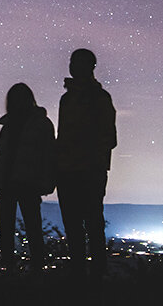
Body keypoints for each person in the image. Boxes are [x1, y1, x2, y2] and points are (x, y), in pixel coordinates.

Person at [56, 48, 117, 281]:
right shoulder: (68, 98)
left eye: (77, 63)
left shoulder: (99, 98)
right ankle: (80, 275)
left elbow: (109, 138)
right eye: (72, 62)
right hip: (69, 170)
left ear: (90, 66)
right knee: (75, 225)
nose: (73, 67)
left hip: (89, 170)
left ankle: (95, 276)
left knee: (91, 223)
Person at [0, 83, 56, 273]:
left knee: (31, 226)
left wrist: (47, 181)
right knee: (11, 228)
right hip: (9, 182)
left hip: (27, 183)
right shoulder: (11, 126)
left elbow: (49, 155)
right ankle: (12, 267)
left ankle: (35, 268)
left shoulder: (39, 124)